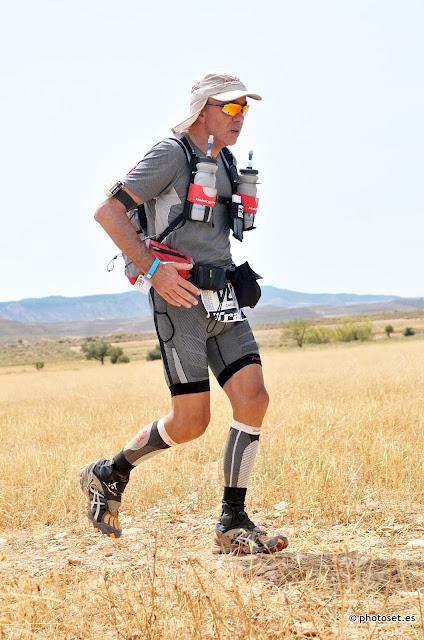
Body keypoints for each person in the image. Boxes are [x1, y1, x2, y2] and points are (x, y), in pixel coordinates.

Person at [80, 73, 288, 554]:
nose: (241, 118)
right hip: (179, 300)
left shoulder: (228, 161)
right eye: (232, 108)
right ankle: (110, 471)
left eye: (245, 110)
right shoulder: (170, 153)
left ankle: (232, 522)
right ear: (203, 109)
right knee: (191, 422)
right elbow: (108, 212)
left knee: (254, 398)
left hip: (223, 296)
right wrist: (154, 270)